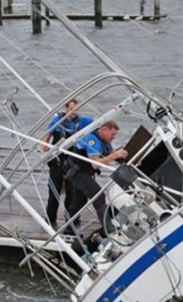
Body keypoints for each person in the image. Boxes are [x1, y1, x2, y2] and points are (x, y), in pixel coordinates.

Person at [40, 99, 93, 230]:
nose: (74, 113)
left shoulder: (83, 121)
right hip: (57, 159)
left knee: (72, 191)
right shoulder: (57, 121)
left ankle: (71, 219)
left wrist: (114, 109)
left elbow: (101, 123)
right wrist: (43, 152)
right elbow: (46, 137)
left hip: (72, 161)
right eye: (71, 110)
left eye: (76, 110)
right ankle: (50, 217)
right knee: (54, 190)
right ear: (66, 108)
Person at [66, 121, 128, 231]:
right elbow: (95, 164)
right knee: (98, 197)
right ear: (103, 130)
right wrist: (114, 155)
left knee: (80, 200)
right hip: (77, 172)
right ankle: (108, 228)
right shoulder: (92, 140)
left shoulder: (105, 141)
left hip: (84, 172)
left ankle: (69, 227)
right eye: (112, 134)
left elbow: (111, 154)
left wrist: (129, 158)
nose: (114, 138)